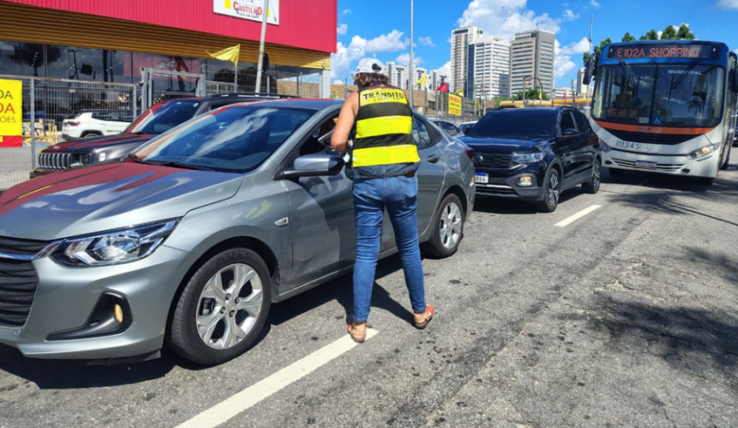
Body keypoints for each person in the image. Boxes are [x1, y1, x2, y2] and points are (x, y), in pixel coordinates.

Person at [331, 58, 433, 343]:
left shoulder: (356, 99)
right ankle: (419, 312)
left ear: (359, 77)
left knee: (366, 253)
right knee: (409, 248)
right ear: (383, 77)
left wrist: (353, 144)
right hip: (403, 180)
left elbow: (337, 142)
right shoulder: (402, 96)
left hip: (369, 183)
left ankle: (359, 325)